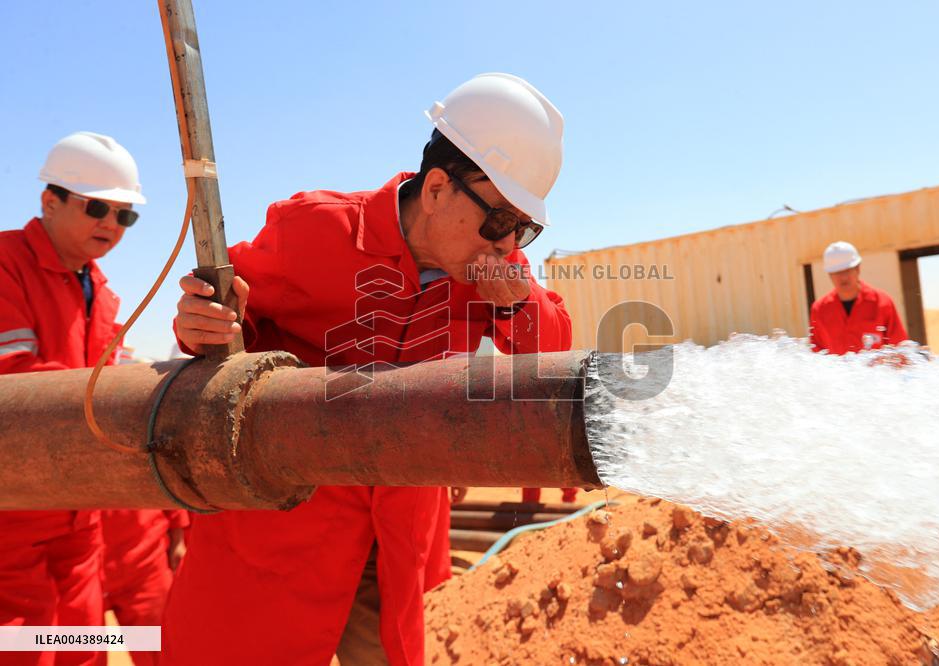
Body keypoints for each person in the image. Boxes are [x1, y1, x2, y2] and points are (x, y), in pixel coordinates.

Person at [163, 73, 572, 665]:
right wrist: (201, 324)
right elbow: (223, 320)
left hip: (399, 542)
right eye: (500, 222)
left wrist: (519, 302)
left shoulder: (493, 267)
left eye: (523, 229)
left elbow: (554, 353)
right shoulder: (313, 230)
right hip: (285, 530)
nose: (509, 244)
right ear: (437, 189)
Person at [0, 131, 146, 666]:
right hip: (11, 514)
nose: (112, 224)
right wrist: (119, 406)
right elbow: (15, 383)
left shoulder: (103, 295)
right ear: (50, 201)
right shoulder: (4, 265)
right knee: (21, 649)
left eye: (125, 215)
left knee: (84, 649)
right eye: (97, 207)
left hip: (80, 517)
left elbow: (115, 385)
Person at [98, 510, 188, 666]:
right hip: (80, 568)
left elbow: (169, 493)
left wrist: (178, 535)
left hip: (144, 562)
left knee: (160, 654)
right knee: (77, 650)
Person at [809, 241, 907, 354]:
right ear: (829, 274)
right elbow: (816, 353)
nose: (843, 277)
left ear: (858, 268)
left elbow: (900, 350)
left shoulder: (883, 303)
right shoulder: (819, 310)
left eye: (847, 270)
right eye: (837, 272)